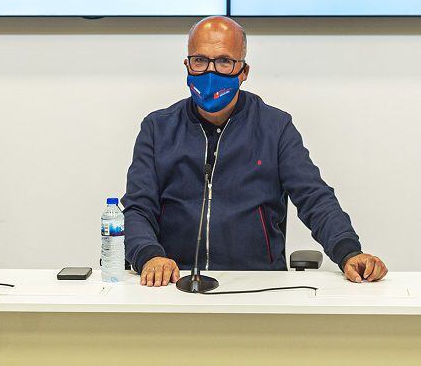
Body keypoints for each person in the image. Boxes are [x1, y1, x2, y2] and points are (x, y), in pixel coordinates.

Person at [123, 16, 387, 286]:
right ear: (187, 65)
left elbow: (315, 199)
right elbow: (137, 208)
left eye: (224, 61)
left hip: (258, 285)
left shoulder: (275, 127)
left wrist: (349, 252)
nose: (210, 72)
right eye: (200, 60)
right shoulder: (158, 128)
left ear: (244, 71)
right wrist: (149, 256)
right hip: (176, 283)